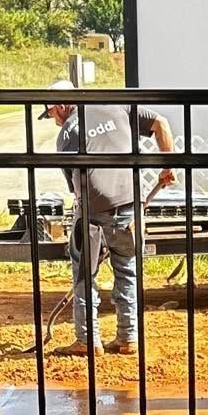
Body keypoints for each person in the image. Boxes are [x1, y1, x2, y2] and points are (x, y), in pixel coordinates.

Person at [40, 80, 175, 355]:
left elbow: (77, 188)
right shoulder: (117, 104)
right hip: (129, 206)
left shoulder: (68, 133)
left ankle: (88, 340)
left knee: (84, 276)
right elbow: (161, 123)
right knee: (126, 270)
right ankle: (128, 338)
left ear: (63, 106)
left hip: (93, 211)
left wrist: (89, 223)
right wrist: (167, 166)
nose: (54, 120)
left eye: (52, 113)